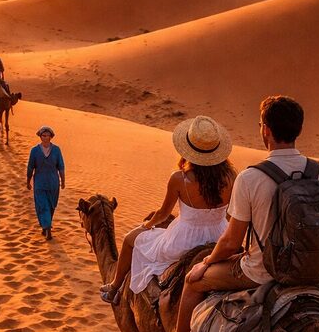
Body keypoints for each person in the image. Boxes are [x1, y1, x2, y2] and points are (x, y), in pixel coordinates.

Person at [165, 95, 319, 332]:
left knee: (191, 281)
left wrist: (207, 262)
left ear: (266, 130)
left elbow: (231, 242)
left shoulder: (251, 178)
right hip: (318, 272)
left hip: (260, 271)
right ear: (298, 129)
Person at [99, 115, 236, 305]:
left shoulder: (180, 179)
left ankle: (114, 287)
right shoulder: (231, 176)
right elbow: (231, 213)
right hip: (219, 236)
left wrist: (147, 225)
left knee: (131, 240)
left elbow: (163, 214)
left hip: (183, 241)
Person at [26, 127, 65, 241]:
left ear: (51, 137)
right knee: (42, 206)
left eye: (47, 136)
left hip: (53, 183)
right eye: (43, 136)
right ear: (40, 137)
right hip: (39, 183)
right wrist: (28, 181)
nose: (45, 138)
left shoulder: (56, 150)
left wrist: (63, 181)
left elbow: (61, 166)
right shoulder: (34, 151)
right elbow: (30, 167)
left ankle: (45, 226)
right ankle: (48, 228)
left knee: (51, 206)